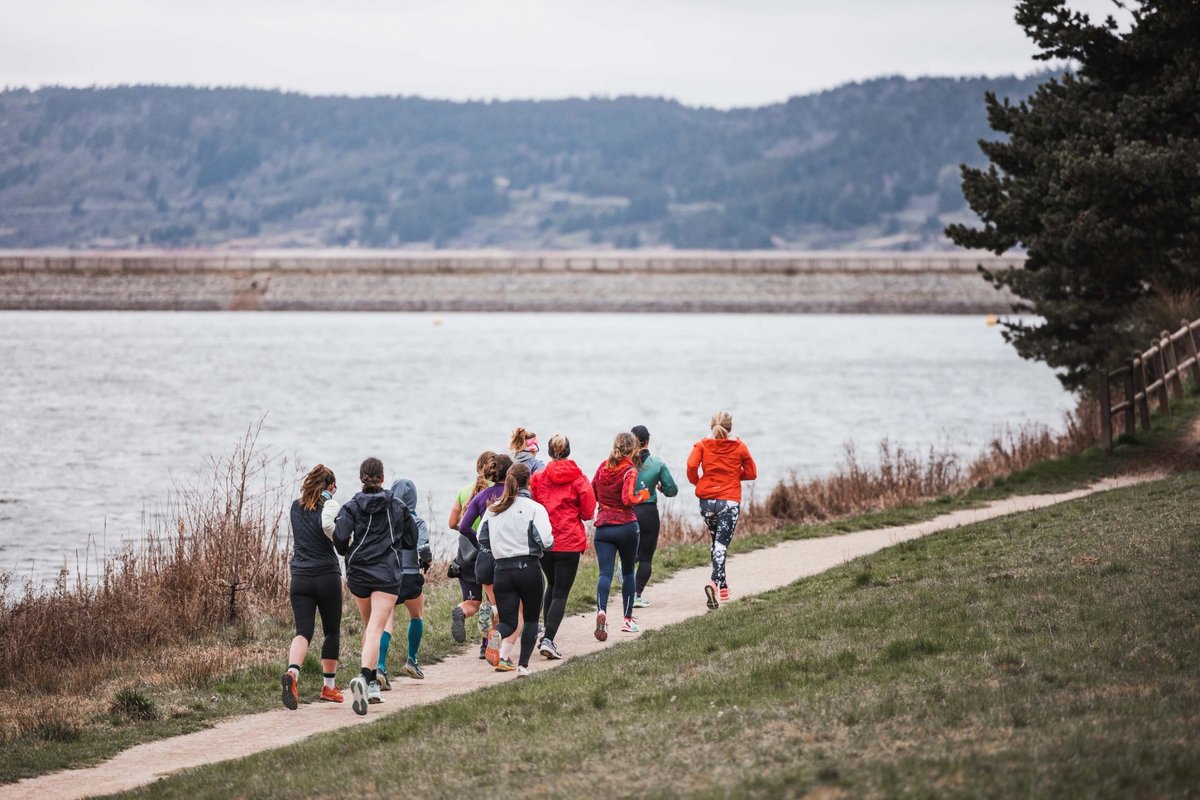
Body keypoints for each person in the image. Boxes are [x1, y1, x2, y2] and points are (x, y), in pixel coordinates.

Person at [333, 457, 422, 716]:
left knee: (369, 626)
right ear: (382, 478)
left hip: (358, 572)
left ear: (362, 477)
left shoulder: (351, 506)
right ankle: (363, 677)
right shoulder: (397, 505)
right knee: (375, 627)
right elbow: (411, 539)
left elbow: (339, 537)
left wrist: (347, 551)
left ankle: (372, 685)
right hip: (386, 574)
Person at [479, 462, 553, 676]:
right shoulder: (534, 508)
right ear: (528, 481)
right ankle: (523, 666)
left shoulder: (494, 509)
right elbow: (546, 540)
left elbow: (481, 537)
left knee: (509, 621)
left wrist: (499, 545)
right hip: (528, 567)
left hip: (501, 569)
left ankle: (496, 635)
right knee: (530, 619)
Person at [281, 464, 344, 709]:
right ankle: (329, 687)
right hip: (327, 575)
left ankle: (292, 673)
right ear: (328, 487)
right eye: (334, 486)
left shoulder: (294, 507)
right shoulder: (328, 508)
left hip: (300, 577)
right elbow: (334, 534)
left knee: (303, 631)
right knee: (331, 631)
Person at [529, 434, 596, 660]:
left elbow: (533, 508)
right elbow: (588, 513)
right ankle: (548, 638)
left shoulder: (538, 478)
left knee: (553, 585)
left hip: (546, 541)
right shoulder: (579, 479)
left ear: (549, 453)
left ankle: (546, 635)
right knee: (561, 592)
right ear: (568, 452)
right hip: (569, 541)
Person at [686, 411, 757, 609]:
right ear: (730, 427)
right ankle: (713, 583)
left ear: (712, 426)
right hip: (729, 501)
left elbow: (691, 465)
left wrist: (698, 481)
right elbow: (752, 473)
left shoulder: (701, 445)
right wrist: (733, 476)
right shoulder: (739, 446)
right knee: (721, 544)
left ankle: (723, 585)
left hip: (707, 501)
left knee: (716, 542)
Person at [591, 432, 650, 640]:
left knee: (604, 574)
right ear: (634, 449)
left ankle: (601, 612)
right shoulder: (630, 470)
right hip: (626, 526)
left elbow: (593, 492)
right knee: (628, 573)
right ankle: (627, 620)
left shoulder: (602, 467)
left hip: (604, 527)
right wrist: (644, 495)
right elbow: (628, 499)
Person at [458, 452, 515, 664]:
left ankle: (489, 630)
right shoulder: (514, 494)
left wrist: (480, 542)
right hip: (509, 555)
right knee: (510, 605)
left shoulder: (481, 496)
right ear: (510, 473)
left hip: (487, 557)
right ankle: (497, 644)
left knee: (495, 602)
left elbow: (463, 526)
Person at [377, 477, 433, 684]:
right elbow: (424, 549)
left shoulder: (385, 520)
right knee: (416, 614)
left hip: (388, 577)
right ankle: (412, 659)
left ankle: (380, 667)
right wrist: (426, 562)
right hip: (410, 577)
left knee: (386, 621)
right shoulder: (417, 521)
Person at [448, 451, 496, 659]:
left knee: (473, 602)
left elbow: (452, 523)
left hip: (466, 556)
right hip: (488, 554)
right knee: (492, 604)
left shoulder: (463, 491)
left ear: (477, 468)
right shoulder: (494, 493)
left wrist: (468, 528)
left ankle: (461, 612)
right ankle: (487, 645)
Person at [629, 425, 678, 608]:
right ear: (648, 440)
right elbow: (672, 490)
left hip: (629, 511)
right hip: (648, 512)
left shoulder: (624, 463)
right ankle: (636, 594)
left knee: (630, 553)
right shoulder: (657, 464)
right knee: (646, 558)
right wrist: (661, 488)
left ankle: (624, 568)